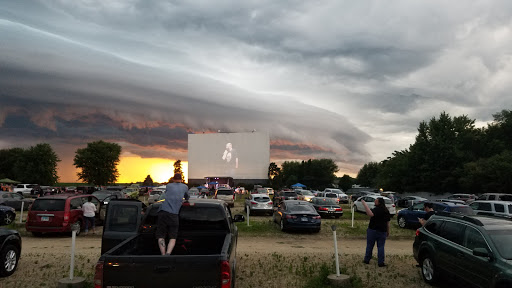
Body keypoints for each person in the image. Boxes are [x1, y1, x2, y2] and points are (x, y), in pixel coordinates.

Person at [156, 173, 190, 255]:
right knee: (173, 237)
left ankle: (163, 254)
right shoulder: (185, 187)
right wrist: (184, 200)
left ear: (173, 179)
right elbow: (187, 197)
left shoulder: (169, 186)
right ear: (181, 180)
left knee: (161, 235)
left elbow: (167, 194)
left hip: (163, 212)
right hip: (174, 214)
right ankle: (168, 253)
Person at [362, 197, 391, 267]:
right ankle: (381, 262)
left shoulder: (376, 210)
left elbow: (370, 214)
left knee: (369, 245)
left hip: (373, 230)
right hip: (382, 231)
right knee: (381, 247)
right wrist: (388, 231)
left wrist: (365, 205)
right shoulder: (386, 211)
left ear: (379, 202)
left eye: (376, 201)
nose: (375, 201)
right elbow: (388, 222)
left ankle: (367, 259)